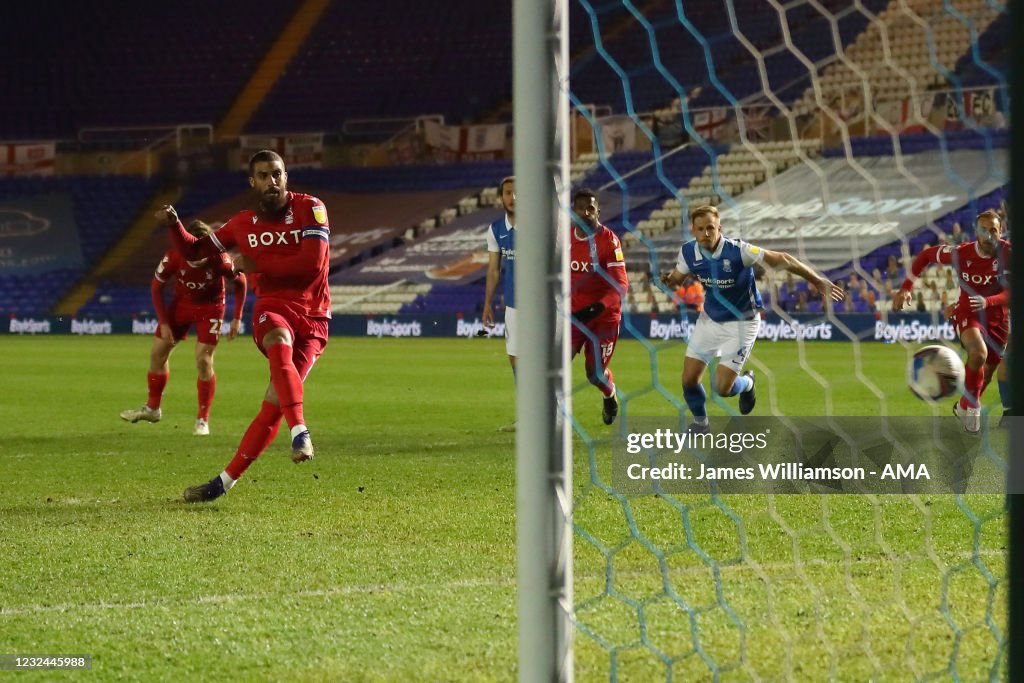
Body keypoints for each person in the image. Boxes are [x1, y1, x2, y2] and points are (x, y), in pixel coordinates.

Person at [160, 149, 332, 502]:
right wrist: (175, 225)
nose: (273, 181)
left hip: (314, 316)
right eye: (264, 176)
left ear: (286, 175)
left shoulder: (311, 207)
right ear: (252, 182)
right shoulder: (242, 224)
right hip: (272, 307)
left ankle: (224, 482)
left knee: (273, 403)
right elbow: (195, 251)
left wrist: (255, 263)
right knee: (278, 341)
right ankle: (300, 430)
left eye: (278, 174)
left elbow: (312, 264)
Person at [661, 205, 843, 430]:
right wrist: (669, 281)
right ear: (693, 230)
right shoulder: (688, 252)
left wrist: (816, 280)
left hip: (742, 322)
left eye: (711, 227)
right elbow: (678, 277)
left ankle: (747, 384)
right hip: (709, 320)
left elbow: (783, 258)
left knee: (722, 389)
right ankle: (701, 424)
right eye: (700, 229)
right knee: (688, 380)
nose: (706, 233)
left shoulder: (739, 251)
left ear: (720, 228)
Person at [120, 220, 246, 435]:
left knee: (203, 360)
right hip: (181, 305)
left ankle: (202, 420)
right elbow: (156, 287)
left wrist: (236, 318)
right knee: (157, 355)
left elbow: (241, 282)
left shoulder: (221, 260)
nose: (196, 260)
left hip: (211, 308)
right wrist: (164, 322)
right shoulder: (174, 257)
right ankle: (152, 409)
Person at [893, 209, 1010, 433]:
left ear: (1001, 231)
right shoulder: (960, 253)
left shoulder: (1009, 253)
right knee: (978, 354)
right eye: (983, 230)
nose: (988, 235)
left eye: (993, 230)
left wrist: (987, 301)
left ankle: (963, 406)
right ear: (976, 232)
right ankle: (974, 408)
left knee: (987, 371)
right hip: (967, 313)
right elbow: (926, 256)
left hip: (998, 318)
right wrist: (906, 288)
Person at [569, 189, 629, 425]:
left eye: (590, 209)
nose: (585, 213)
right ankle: (551, 419)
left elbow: (621, 285)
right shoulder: (564, 238)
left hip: (603, 319)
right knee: (554, 366)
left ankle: (609, 394)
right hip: (573, 316)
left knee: (594, 374)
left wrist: (597, 307)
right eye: (580, 209)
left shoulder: (609, 241)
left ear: (598, 212)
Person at [483, 176, 517, 374]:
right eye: (508, 193)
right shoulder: (496, 229)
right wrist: (488, 303)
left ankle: (548, 403)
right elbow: (493, 270)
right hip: (513, 305)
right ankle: (526, 403)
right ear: (501, 197)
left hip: (540, 306)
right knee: (515, 359)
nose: (513, 197)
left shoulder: (537, 226)